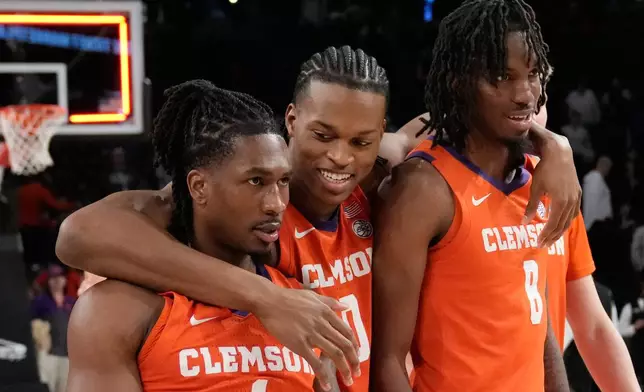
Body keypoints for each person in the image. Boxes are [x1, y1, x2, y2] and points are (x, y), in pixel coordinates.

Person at [56, 46, 581, 390]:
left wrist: (552, 147)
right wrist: (268, 297)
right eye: (323, 135)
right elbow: (81, 234)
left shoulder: (381, 186)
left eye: (360, 142)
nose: (339, 159)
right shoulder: (248, 206)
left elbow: (470, 128)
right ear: (292, 120)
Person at [67, 80, 336, 392]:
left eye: (283, 181)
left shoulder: (306, 307)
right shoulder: (116, 313)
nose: (276, 203)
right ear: (199, 187)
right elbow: (76, 233)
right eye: (255, 181)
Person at [370, 1, 569, 391]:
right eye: (501, 77)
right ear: (459, 81)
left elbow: (536, 322)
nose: (524, 94)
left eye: (532, 75)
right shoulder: (423, 188)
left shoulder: (537, 176)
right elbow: (387, 362)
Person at [31, 264, 75, 392]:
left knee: (65, 388)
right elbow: (30, 322)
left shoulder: (71, 302)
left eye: (59, 277)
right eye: (53, 278)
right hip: (47, 354)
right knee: (47, 387)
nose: (57, 281)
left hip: (67, 354)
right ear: (48, 282)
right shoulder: (41, 301)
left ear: (65, 280)